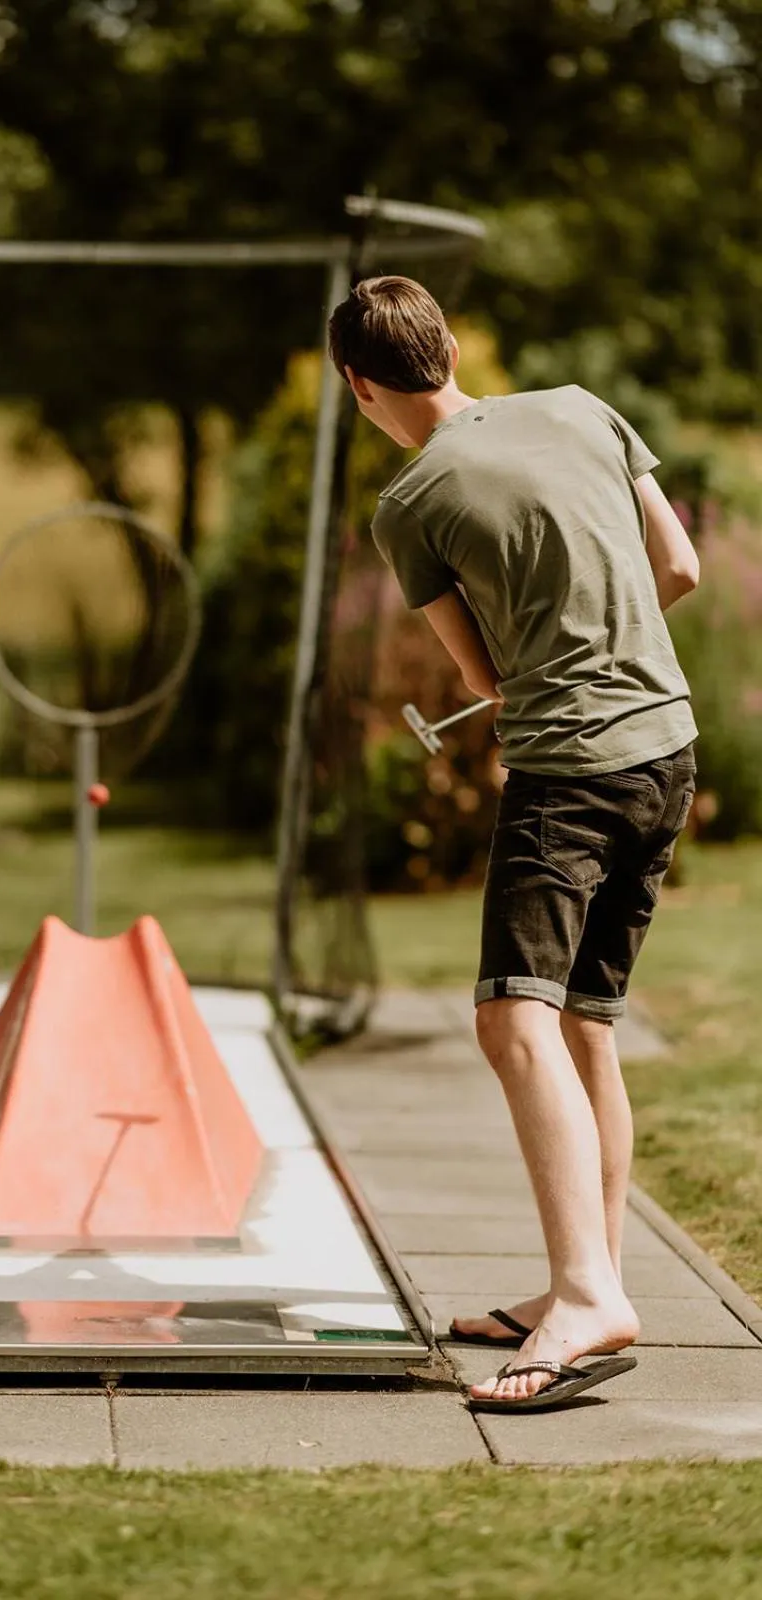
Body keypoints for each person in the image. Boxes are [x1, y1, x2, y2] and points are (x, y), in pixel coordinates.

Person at [328, 276, 699, 1413]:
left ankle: (586, 1297)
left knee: (510, 1019)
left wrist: (536, 674)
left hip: (571, 771)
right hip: (667, 750)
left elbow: (483, 680)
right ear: (444, 347)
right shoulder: (585, 407)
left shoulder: (408, 504)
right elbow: (677, 569)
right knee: (584, 1022)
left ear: (359, 385)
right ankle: (583, 1284)